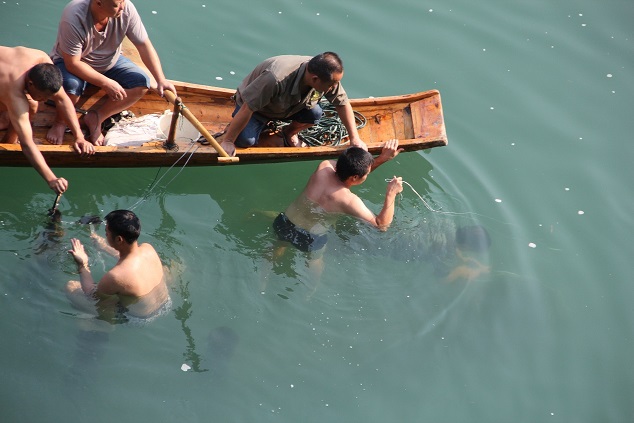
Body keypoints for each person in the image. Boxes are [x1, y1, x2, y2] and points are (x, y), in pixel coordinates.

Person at [270, 138, 403, 285]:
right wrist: (391, 193)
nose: (367, 175)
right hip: (309, 238)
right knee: (315, 261)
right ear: (355, 177)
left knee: (279, 244)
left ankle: (264, 278)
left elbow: (348, 171)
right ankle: (311, 289)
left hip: (284, 222)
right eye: (366, 174)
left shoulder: (324, 166)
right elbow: (381, 225)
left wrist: (381, 158)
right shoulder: (348, 201)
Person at [48, 0, 177, 146]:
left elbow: (143, 44)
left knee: (141, 83)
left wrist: (161, 79)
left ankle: (97, 117)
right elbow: (73, 64)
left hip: (110, 61)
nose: (122, 7)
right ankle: (60, 122)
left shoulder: (126, 8)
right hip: (75, 62)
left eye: (122, 1)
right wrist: (106, 83)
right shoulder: (74, 15)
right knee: (72, 87)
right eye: (117, 5)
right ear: (99, 3)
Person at [216, 52, 367, 157]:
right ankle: (241, 128)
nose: (334, 87)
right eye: (332, 84)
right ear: (315, 79)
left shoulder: (327, 75)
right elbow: (247, 108)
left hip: (288, 108)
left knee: (315, 114)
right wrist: (228, 141)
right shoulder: (275, 78)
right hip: (257, 109)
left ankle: (288, 133)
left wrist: (354, 138)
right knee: (245, 141)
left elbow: (342, 104)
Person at [0, 46, 95, 193]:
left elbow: (62, 100)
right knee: (28, 105)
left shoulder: (43, 61)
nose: (45, 100)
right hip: (6, 82)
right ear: (30, 84)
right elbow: (27, 144)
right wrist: (51, 179)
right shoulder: (14, 92)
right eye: (42, 96)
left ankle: (8, 137)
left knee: (32, 105)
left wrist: (79, 137)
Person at [67, 209, 170, 322]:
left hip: (138, 318)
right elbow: (130, 258)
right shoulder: (148, 248)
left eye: (106, 233)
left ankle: (103, 326)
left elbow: (91, 295)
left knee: (71, 286)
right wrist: (104, 247)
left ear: (119, 239)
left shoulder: (115, 276)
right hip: (164, 306)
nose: (105, 235)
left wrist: (83, 264)